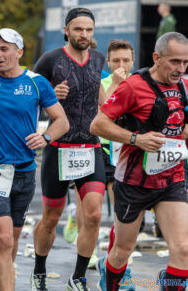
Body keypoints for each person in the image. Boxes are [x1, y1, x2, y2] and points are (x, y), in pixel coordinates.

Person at [0, 28, 69, 291]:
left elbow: (62, 121)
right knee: (5, 238)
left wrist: (45, 138)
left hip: (25, 171)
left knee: (13, 241)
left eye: (3, 49)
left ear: (19, 52)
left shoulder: (36, 83)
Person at [90, 32, 188, 291]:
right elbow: (97, 124)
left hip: (171, 178)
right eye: (175, 62)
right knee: (122, 251)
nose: (181, 69)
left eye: (185, 63)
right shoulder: (134, 86)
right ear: (157, 57)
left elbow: (182, 124)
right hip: (134, 181)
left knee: (183, 249)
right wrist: (136, 139)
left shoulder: (184, 87)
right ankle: (110, 283)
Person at [32, 7, 106, 291]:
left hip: (89, 147)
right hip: (59, 148)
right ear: (66, 30)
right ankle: (39, 269)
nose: (83, 34)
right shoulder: (50, 60)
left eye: (88, 29)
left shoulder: (98, 59)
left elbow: (105, 101)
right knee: (51, 218)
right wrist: (51, 92)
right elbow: (32, 101)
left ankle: (78, 277)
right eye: (78, 29)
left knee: (95, 215)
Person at [93, 39, 136, 291]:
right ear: (107, 63)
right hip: (105, 151)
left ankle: (114, 264)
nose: (121, 65)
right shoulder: (104, 84)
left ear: (134, 60)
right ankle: (119, 269)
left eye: (126, 60)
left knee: (124, 216)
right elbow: (103, 113)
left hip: (131, 153)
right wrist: (118, 84)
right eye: (116, 61)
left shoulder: (142, 83)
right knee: (109, 213)